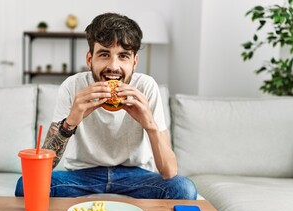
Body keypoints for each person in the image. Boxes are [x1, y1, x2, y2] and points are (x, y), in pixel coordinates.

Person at [15, 12, 197, 199]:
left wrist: (150, 125)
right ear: (89, 59)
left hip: (135, 176)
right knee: (25, 185)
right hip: (83, 176)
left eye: (123, 56)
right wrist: (69, 122)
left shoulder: (146, 87)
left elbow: (169, 172)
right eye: (104, 54)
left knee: (183, 188)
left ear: (134, 62)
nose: (113, 66)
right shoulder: (73, 87)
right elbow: (45, 167)